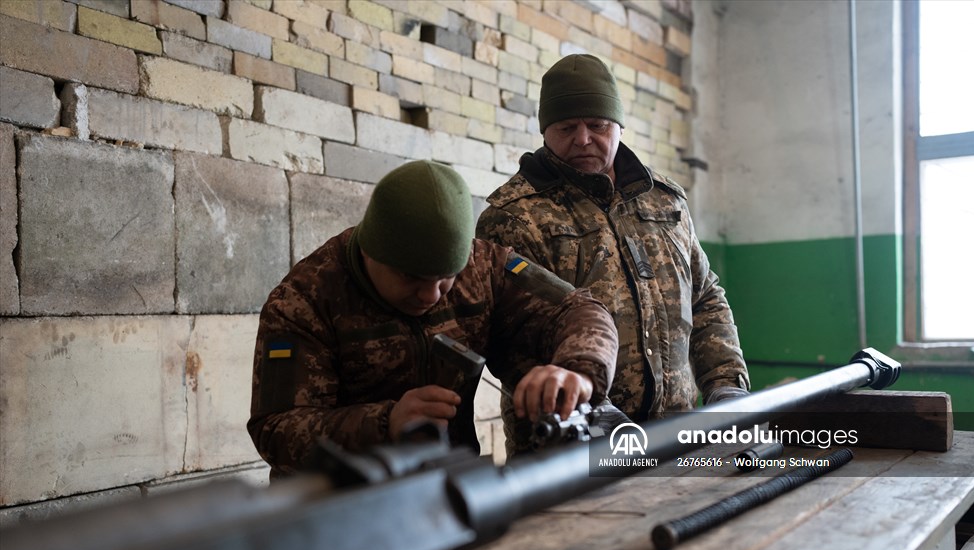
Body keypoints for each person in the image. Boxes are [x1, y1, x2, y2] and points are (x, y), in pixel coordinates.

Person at [248, 160, 618, 476]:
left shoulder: (484, 265)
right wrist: (385, 423)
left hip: (449, 495)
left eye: (446, 278)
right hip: (340, 512)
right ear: (370, 252)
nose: (431, 295)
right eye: (411, 278)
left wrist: (578, 370)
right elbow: (276, 429)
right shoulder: (306, 299)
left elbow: (580, 309)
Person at [477, 53, 749, 439]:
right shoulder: (515, 216)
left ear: (618, 125)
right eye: (567, 127)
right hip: (573, 442)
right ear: (545, 133)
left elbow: (704, 298)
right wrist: (589, 400)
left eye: (597, 124)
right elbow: (508, 337)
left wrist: (726, 384)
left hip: (675, 434)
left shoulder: (665, 200)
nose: (583, 138)